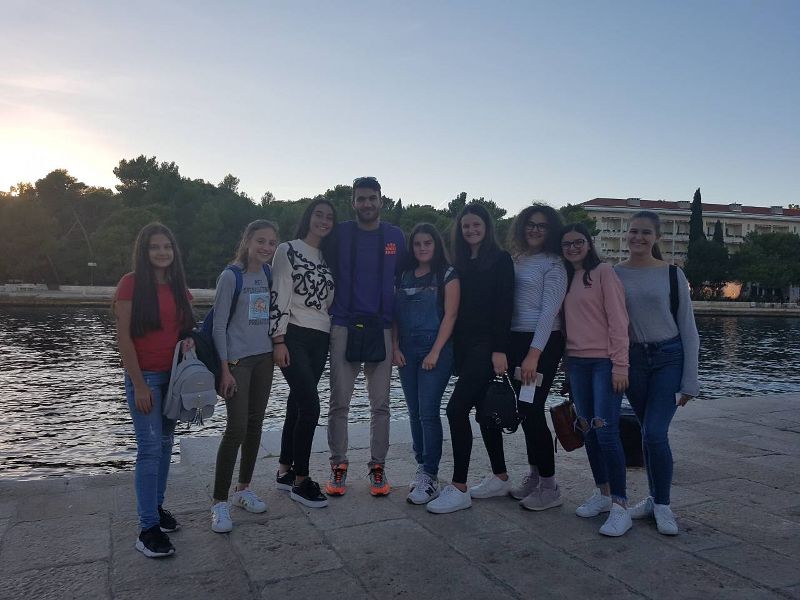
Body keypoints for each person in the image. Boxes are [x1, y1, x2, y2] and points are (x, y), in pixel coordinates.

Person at [475, 204, 568, 510]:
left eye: (542, 225)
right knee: (526, 411)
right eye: (530, 224)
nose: (535, 229)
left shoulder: (554, 263)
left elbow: (549, 312)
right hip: (514, 340)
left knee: (532, 409)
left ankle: (550, 487)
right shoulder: (516, 259)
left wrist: (533, 355)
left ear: (551, 230)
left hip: (540, 343)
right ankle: (535, 475)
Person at [615, 210, 700, 536]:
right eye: (633, 231)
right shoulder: (615, 274)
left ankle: (662, 503)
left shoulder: (672, 274)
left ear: (656, 237)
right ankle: (653, 498)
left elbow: (688, 328)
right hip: (633, 360)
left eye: (645, 232)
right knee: (646, 430)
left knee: (654, 432)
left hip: (668, 357)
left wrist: (690, 380)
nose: (638, 237)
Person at [114, 222, 195, 558]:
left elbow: (185, 330)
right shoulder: (131, 284)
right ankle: (147, 529)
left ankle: (157, 509)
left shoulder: (178, 286)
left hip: (173, 379)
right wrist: (138, 384)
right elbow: (124, 338)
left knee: (164, 446)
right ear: (144, 251)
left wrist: (189, 341)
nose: (162, 252)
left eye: (167, 246)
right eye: (155, 247)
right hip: (145, 378)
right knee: (149, 449)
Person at [427, 203, 514, 514]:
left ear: (487, 227)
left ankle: (459, 487)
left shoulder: (501, 260)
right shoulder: (459, 263)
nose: (471, 230)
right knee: (483, 411)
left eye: (476, 224)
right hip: (464, 346)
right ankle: (500, 477)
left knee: (455, 410)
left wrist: (500, 349)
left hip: (487, 345)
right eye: (466, 226)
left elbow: (505, 306)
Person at [326, 176, 407, 496]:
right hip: (344, 324)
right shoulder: (341, 232)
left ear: (381, 201)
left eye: (372, 198)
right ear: (353, 203)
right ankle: (338, 465)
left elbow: (406, 277)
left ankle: (378, 467)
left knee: (381, 405)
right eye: (361, 198)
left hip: (382, 327)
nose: (367, 204)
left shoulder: (395, 237)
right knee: (339, 403)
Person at [560, 223, 632, 537]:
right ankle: (602, 493)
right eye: (566, 244)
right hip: (577, 363)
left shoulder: (604, 273)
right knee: (588, 430)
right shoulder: (565, 278)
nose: (573, 248)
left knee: (606, 431)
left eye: (578, 242)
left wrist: (621, 366)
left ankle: (621, 504)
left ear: (589, 244)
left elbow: (619, 320)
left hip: (604, 362)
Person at [210, 220, 278, 533]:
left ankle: (243, 489)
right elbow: (218, 325)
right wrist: (223, 369)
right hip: (237, 362)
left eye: (271, 243)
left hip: (264, 359)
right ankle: (219, 502)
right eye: (261, 241)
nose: (266, 247)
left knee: (255, 425)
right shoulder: (231, 276)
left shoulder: (268, 274)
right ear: (248, 240)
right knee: (236, 428)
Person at [271, 200, 337, 508]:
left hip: (320, 336)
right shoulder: (287, 250)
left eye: (329, 217)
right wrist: (278, 340)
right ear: (308, 217)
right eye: (318, 215)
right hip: (293, 334)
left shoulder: (328, 257)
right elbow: (279, 293)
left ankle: (284, 470)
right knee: (311, 406)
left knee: (297, 404)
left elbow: (329, 302)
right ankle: (301, 480)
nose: (323, 221)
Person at [392, 223, 460, 505]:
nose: (422, 248)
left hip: (436, 349)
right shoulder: (403, 275)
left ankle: (431, 475)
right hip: (407, 350)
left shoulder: (447, 274)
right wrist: (395, 347)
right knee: (414, 411)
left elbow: (451, 316)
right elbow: (395, 315)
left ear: (436, 245)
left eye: (427, 243)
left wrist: (435, 351)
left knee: (429, 412)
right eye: (417, 243)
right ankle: (421, 466)